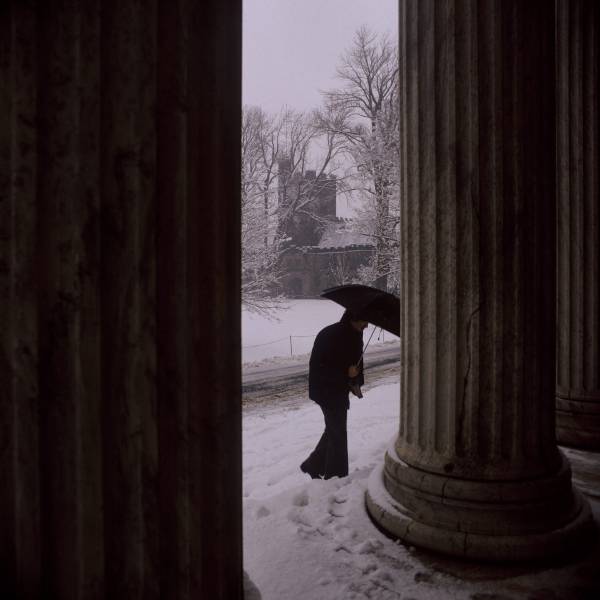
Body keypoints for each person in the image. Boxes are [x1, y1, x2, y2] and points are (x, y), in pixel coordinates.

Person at [300, 310, 368, 480]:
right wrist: (346, 373)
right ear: (354, 318)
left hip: (339, 389)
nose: (367, 325)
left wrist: (356, 379)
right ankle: (336, 477)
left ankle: (313, 464)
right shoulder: (330, 335)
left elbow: (357, 362)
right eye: (364, 321)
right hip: (325, 390)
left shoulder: (355, 334)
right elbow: (319, 368)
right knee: (338, 432)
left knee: (333, 429)